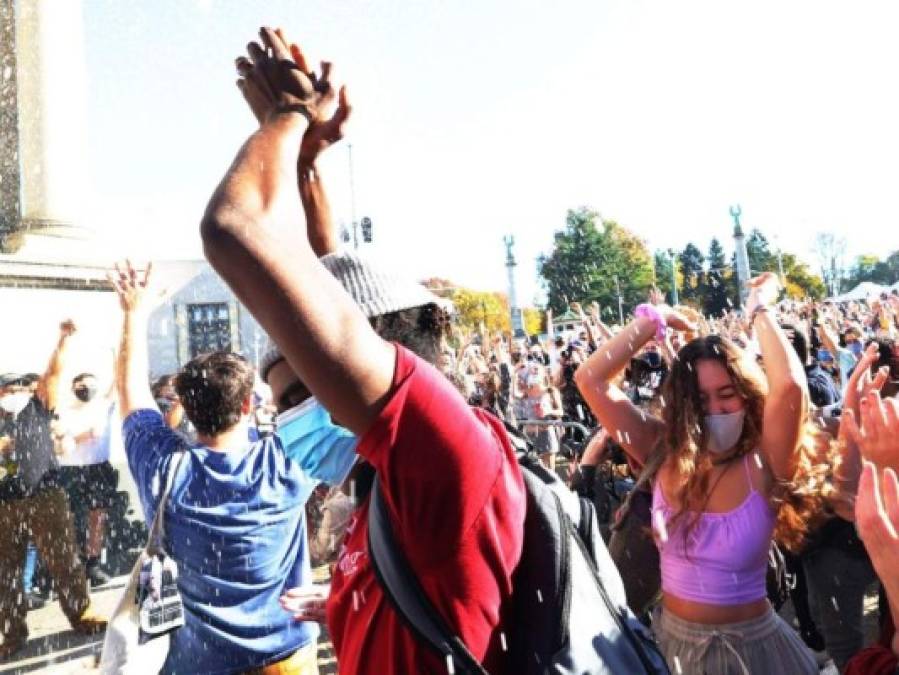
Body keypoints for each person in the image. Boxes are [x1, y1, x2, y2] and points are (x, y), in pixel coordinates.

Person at [202, 27, 526, 673]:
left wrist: (286, 116)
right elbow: (328, 275)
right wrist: (303, 166)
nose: (290, 417)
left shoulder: (440, 454)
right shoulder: (386, 479)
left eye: (299, 393)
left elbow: (234, 229)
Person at [575, 273, 818, 673]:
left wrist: (758, 308)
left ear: (747, 393)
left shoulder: (767, 459)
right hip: (673, 649)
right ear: (683, 404)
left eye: (727, 395)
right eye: (700, 400)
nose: (716, 411)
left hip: (756, 655)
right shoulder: (663, 449)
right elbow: (590, 380)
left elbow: (790, 385)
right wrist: (655, 319)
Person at [111, 261, 330, 674]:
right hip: (285, 656)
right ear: (248, 405)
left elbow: (131, 393)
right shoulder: (285, 460)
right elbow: (328, 379)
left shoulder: (164, 468)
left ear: (186, 409)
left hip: (199, 663)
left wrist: (132, 314)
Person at [0, 322, 107, 658]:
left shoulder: (39, 406)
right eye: (11, 387)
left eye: (23, 386)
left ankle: (81, 613)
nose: (20, 390)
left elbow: (52, 373)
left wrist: (63, 340)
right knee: (4, 572)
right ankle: (12, 632)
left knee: (64, 560)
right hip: (4, 503)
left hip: (47, 495)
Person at [55, 370, 118, 587]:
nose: (87, 390)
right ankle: (71, 566)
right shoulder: (62, 408)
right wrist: (78, 437)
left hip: (98, 467)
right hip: (69, 469)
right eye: (82, 386)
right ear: (73, 388)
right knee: (68, 518)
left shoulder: (103, 405)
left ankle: (93, 564)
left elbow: (118, 382)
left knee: (97, 517)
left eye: (91, 386)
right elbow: (57, 438)